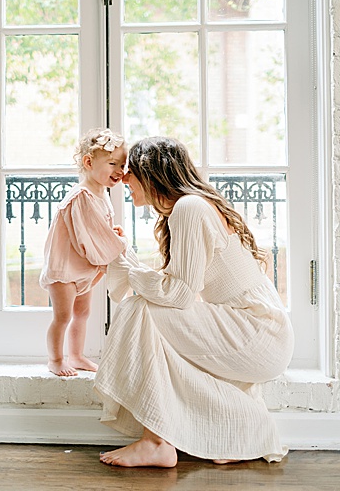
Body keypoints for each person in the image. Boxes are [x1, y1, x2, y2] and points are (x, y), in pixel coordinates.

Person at [95, 137, 294, 467]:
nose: (124, 178)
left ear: (151, 173)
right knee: (146, 313)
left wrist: (130, 270)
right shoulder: (191, 206)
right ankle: (214, 437)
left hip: (259, 333)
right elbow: (180, 289)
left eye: (130, 170)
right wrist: (128, 259)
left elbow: (178, 294)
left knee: (139, 309)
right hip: (258, 331)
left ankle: (156, 440)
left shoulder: (189, 208)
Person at [39, 128, 127, 376]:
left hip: (82, 268)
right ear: (89, 162)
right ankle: (55, 359)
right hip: (65, 268)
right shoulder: (82, 196)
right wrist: (118, 243)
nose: (120, 171)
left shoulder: (101, 193)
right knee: (63, 316)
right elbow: (87, 237)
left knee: (83, 312)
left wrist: (113, 232)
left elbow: (99, 229)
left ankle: (76, 355)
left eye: (122, 164)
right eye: (112, 164)